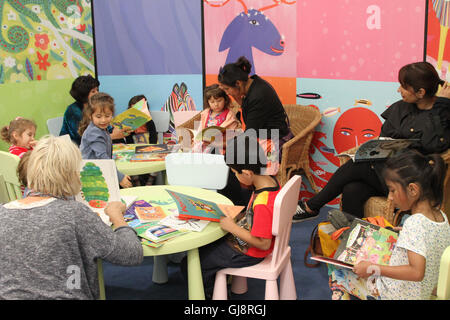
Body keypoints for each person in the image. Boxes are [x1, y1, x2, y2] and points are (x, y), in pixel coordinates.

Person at [294, 61, 450, 221]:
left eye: (403, 86)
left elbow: (435, 145)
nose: (399, 90)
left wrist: (441, 107)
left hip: (412, 181)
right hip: (386, 171)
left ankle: (312, 206)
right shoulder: (401, 108)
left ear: (421, 92)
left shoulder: (442, 113)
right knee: (352, 189)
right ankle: (353, 239)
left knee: (359, 165)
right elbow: (384, 138)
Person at [0, 135, 143, 299]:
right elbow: (131, 254)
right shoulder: (74, 213)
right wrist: (118, 218)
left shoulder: (2, 212)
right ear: (70, 175)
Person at [329, 149, 450, 300]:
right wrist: (403, 231)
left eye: (392, 190)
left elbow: (416, 272)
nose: (390, 197)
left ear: (413, 189)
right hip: (421, 292)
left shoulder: (415, 223)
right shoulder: (441, 216)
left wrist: (372, 269)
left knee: (337, 273)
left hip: (395, 294)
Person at [180, 133, 280, 298]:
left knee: (191, 264)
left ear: (247, 173)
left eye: (235, 173)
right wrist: (239, 218)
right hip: (246, 242)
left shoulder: (263, 203)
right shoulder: (272, 182)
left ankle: (210, 294)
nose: (235, 176)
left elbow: (263, 244)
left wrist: (232, 227)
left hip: (250, 252)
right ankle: (220, 277)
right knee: (204, 247)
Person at [217, 56, 293, 206]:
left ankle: (242, 206)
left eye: (227, 89)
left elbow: (250, 135)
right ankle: (239, 205)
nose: (227, 93)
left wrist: (225, 144)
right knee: (225, 154)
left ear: (238, 83)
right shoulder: (253, 85)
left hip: (273, 138)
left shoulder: (258, 95)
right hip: (261, 135)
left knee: (232, 160)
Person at [79, 92, 132, 188]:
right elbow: (103, 157)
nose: (103, 120)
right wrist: (119, 177)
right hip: (90, 175)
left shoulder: (101, 129)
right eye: (98, 117)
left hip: (98, 171)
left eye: (107, 116)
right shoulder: (94, 133)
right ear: (90, 116)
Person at [60, 75, 128, 146]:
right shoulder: (73, 111)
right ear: (83, 94)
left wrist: (119, 129)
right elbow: (85, 138)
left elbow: (104, 128)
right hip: (75, 149)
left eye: (97, 90)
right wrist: (113, 136)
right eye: (93, 91)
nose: (97, 93)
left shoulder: (94, 106)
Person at [191, 84, 240, 153]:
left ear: (225, 100)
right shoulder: (205, 113)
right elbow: (200, 130)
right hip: (205, 145)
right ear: (208, 102)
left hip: (220, 147)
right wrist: (196, 141)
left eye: (219, 101)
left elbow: (232, 135)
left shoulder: (230, 116)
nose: (216, 104)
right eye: (212, 102)